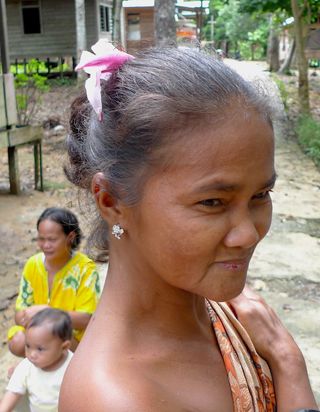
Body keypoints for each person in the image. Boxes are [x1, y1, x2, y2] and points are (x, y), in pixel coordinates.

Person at [59, 40, 319, 411]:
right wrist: (286, 361)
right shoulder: (117, 398)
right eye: (212, 202)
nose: (248, 234)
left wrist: (283, 357)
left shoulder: (225, 314)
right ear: (111, 200)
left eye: (261, 194)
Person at [8, 207, 101, 356]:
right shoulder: (33, 265)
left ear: (70, 237)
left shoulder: (85, 269)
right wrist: (27, 318)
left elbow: (86, 319)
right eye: (41, 238)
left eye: (52, 239)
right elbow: (20, 314)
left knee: (50, 341)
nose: (45, 245)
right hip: (38, 334)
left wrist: (47, 313)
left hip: (70, 337)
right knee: (17, 341)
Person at [0, 308, 73, 412]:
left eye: (40, 349)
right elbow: (13, 393)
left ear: (64, 347)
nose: (31, 354)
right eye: (28, 346)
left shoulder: (74, 366)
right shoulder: (26, 366)